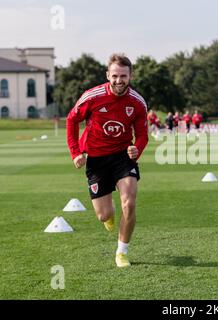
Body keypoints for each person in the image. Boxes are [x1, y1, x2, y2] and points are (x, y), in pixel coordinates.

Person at [66, 53, 149, 268]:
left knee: (129, 203)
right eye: (115, 76)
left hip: (123, 158)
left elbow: (142, 135)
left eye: (123, 76)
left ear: (130, 76)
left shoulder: (138, 103)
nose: (119, 80)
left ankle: (122, 252)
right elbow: (71, 120)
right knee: (104, 215)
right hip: (97, 160)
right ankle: (109, 216)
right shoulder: (92, 96)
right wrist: (75, 152)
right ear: (107, 75)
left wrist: (136, 149)